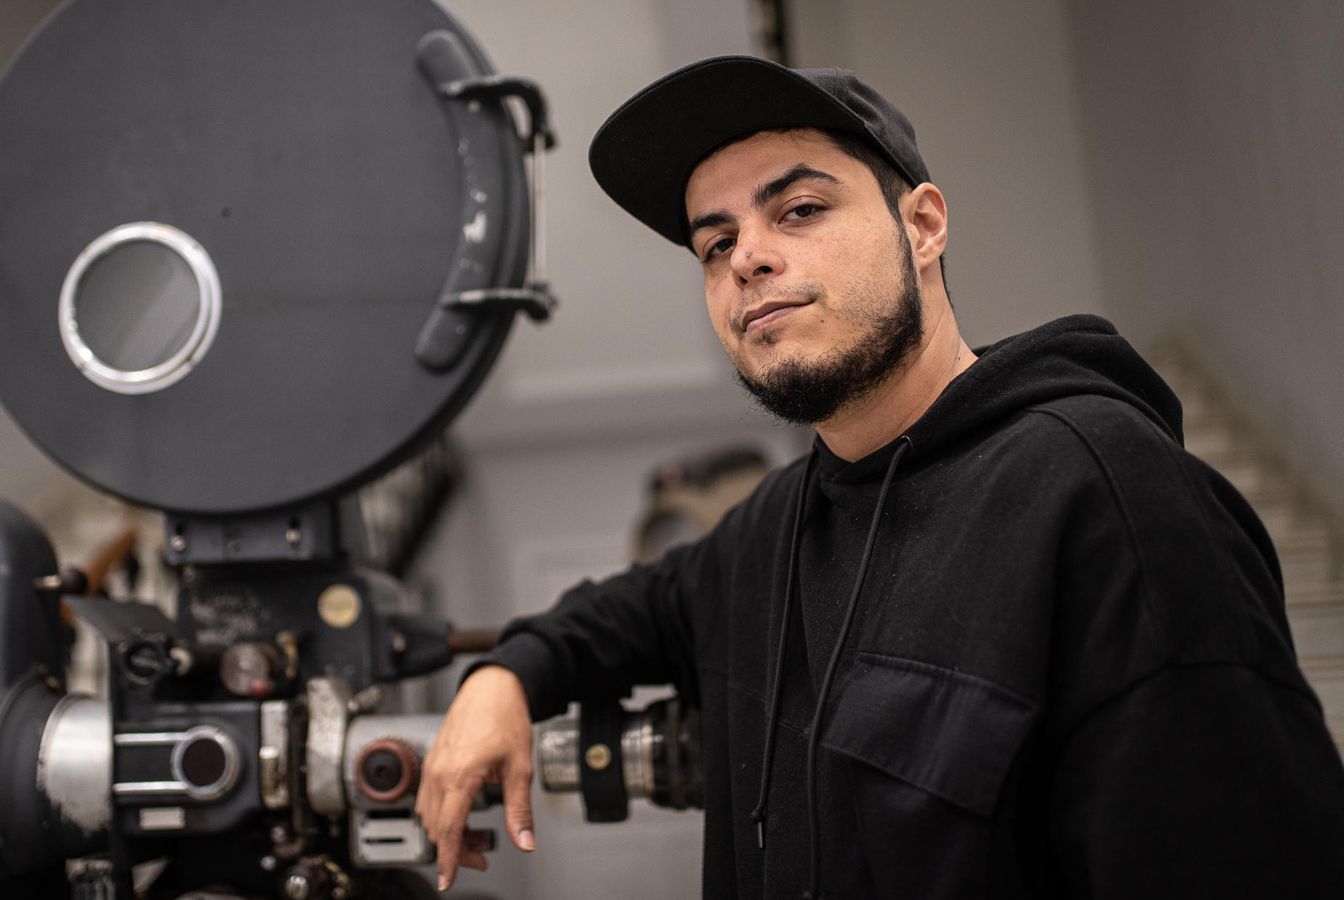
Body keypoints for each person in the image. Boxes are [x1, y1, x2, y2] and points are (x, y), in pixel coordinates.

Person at [415, 55, 1344, 899]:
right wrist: (506, 676)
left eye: (800, 210)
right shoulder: (772, 529)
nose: (748, 258)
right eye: (714, 243)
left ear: (923, 224)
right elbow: (629, 614)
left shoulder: (1106, 493)